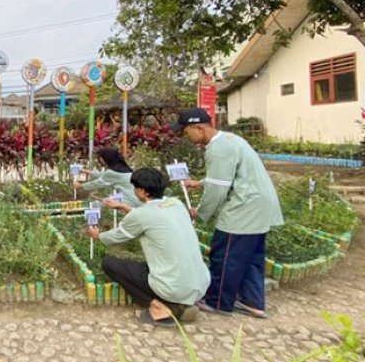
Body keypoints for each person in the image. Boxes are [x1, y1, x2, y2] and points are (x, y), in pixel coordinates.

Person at [173, 108, 284, 318]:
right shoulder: (231, 140)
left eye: (186, 132)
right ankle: (253, 302)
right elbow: (228, 175)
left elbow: (217, 190)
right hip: (259, 205)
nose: (186, 137)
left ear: (199, 128)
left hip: (244, 208)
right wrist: (200, 182)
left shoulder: (217, 149)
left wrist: (199, 213)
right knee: (251, 257)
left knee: (225, 256)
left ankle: (218, 302)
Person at [90, 168, 210, 327]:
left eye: (136, 188)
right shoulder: (176, 203)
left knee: (110, 264)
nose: (134, 191)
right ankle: (185, 303)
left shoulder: (141, 215)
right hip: (200, 283)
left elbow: (116, 237)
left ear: (143, 192)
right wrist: (124, 207)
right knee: (146, 267)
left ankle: (163, 306)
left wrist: (98, 235)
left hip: (173, 288)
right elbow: (153, 216)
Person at [73, 146, 139, 208]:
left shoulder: (112, 172)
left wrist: (80, 185)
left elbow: (98, 183)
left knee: (95, 206)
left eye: (100, 157)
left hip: (130, 202)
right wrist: (85, 171)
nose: (100, 160)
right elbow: (104, 175)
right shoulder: (123, 168)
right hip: (137, 199)